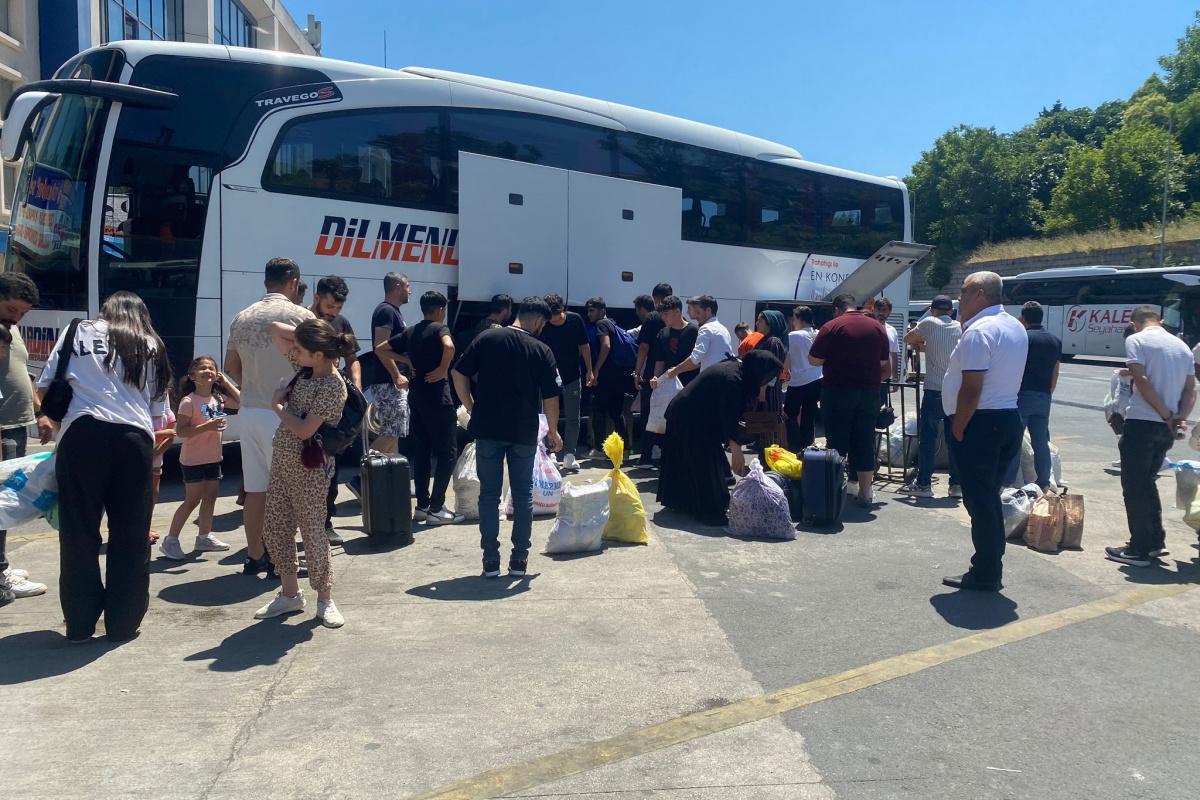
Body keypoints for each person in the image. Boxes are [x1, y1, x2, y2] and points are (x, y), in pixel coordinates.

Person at [38, 291, 172, 643]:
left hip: (82, 435)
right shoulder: (151, 343)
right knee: (132, 532)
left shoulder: (77, 331)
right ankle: (123, 622)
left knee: (78, 531)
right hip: (134, 439)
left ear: (105, 310)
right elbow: (158, 410)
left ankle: (80, 623)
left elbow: (45, 386)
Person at [453, 297, 562, 578]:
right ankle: (519, 561)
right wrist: (553, 431)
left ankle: (490, 560)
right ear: (538, 320)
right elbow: (551, 397)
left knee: (489, 496)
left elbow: (458, 373)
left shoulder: (487, 338)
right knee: (523, 495)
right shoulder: (541, 349)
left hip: (487, 429)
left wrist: (471, 406)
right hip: (523, 431)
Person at [255, 319, 354, 627]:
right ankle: (290, 594)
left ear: (318, 355)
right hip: (283, 461)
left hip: (309, 468)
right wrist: (314, 333)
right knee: (276, 528)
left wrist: (277, 406)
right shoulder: (306, 369)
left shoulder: (332, 385)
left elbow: (303, 430)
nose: (293, 351)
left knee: (313, 532)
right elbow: (275, 328)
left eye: (299, 349)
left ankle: (325, 598)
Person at [939, 272, 1028, 592]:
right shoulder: (1014, 326)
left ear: (979, 294)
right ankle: (990, 566)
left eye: (962, 291)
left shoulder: (979, 331)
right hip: (1006, 418)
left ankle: (986, 571)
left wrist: (959, 426)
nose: (958, 298)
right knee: (987, 498)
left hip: (980, 423)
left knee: (980, 502)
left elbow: (972, 387)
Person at [225, 258, 314, 576]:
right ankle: (283, 561)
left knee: (256, 490)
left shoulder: (242, 317)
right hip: (284, 415)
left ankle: (255, 555)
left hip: (249, 412)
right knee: (291, 493)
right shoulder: (301, 316)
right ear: (294, 282)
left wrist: (252, 385)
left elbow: (230, 367)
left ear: (266, 282)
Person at [1105, 306, 1196, 568]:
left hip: (1143, 422)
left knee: (1135, 486)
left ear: (1134, 323)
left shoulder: (1136, 340)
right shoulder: (1181, 346)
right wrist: (1179, 417)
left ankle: (1139, 549)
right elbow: (1191, 389)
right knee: (1148, 482)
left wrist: (1165, 414)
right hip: (1166, 428)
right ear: (1161, 321)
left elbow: (1142, 379)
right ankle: (1155, 541)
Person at [657, 351, 784, 524]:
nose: (767, 381)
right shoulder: (733, 379)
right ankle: (709, 510)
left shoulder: (739, 371)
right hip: (689, 415)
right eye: (767, 377)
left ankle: (685, 503)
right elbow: (728, 416)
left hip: (694, 414)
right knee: (705, 462)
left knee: (693, 461)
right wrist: (736, 450)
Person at [377, 291, 462, 525]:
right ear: (441, 310)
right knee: (447, 452)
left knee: (423, 450)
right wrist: (443, 369)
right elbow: (449, 346)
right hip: (438, 398)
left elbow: (381, 348)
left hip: (416, 397)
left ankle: (422, 506)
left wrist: (409, 361)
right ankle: (437, 508)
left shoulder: (411, 331)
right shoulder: (440, 328)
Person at [808, 293, 890, 508]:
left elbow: (814, 360)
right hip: (869, 392)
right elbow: (884, 362)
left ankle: (834, 492)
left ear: (837, 310)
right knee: (865, 442)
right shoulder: (877, 327)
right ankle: (864, 494)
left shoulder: (831, 326)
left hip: (837, 391)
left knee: (836, 443)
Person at [0, 273, 52, 606]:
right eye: (11, 309)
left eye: (23, 313)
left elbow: (23, 376)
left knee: (6, 505)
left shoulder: (10, 330)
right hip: (2, 430)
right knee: (1, 505)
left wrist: (40, 412)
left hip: (15, 427)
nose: (16, 317)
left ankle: (1, 566)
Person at [160, 356, 241, 559]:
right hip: (193, 459)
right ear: (192, 376)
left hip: (213, 456)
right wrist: (208, 426)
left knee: (211, 497)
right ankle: (170, 540)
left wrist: (226, 383)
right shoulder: (189, 401)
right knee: (192, 499)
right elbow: (181, 431)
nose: (207, 371)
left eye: (211, 368)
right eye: (202, 368)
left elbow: (242, 402)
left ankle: (204, 536)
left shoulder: (218, 399)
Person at [309, 275, 361, 545]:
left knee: (331, 463)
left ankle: (326, 522)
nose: (334, 312)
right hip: (305, 400)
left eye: (339, 307)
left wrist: (357, 388)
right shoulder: (303, 320)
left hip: (334, 402)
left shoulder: (341, 323)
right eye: (330, 306)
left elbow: (353, 359)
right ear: (316, 297)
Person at [901, 295, 963, 498]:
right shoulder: (960, 327)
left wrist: (922, 342)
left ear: (932, 310)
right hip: (956, 392)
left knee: (928, 439)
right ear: (951, 312)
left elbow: (908, 338)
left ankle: (924, 483)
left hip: (934, 389)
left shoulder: (929, 323)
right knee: (955, 439)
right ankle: (956, 485)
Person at [1003, 301, 1063, 490]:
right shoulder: (1055, 340)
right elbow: (1055, 371)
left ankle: (1009, 482)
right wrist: (1048, 393)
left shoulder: (1023, 338)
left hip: (1022, 395)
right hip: (1044, 396)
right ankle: (1044, 482)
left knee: (1015, 441)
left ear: (1023, 318)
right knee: (1041, 442)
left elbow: (1014, 367)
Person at [540, 293, 593, 473]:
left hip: (572, 375)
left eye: (555, 315)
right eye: (550, 316)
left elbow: (584, 345)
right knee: (548, 417)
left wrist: (590, 370)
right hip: (548, 377)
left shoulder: (575, 320)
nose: (553, 319)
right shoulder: (544, 322)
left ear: (562, 309)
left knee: (573, 417)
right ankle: (550, 452)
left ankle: (570, 454)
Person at [362, 272, 411, 456]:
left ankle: (392, 473)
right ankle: (365, 470)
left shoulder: (392, 311)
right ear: (397, 287)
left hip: (392, 384)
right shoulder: (386, 311)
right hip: (388, 383)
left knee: (396, 432)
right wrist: (396, 374)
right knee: (391, 432)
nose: (409, 291)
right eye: (407, 286)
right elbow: (380, 347)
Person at [585, 298, 633, 458]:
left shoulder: (601, 324)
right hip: (618, 376)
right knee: (617, 414)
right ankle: (625, 450)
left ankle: (599, 449)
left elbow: (606, 345)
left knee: (598, 411)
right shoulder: (613, 324)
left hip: (605, 377)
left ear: (602, 311)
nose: (589, 314)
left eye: (592, 311)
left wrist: (596, 370)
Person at [633, 285, 672, 465]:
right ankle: (666, 454)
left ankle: (646, 456)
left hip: (652, 374)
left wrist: (637, 372)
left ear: (656, 299)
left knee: (649, 414)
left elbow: (643, 347)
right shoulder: (679, 319)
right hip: (672, 374)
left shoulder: (652, 317)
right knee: (668, 414)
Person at [663, 296, 733, 382]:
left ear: (708, 310)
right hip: (725, 378)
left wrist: (675, 371)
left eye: (698, 312)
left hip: (712, 380)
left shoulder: (706, 328)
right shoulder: (723, 329)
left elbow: (696, 358)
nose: (696, 315)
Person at [784, 305, 822, 450]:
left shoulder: (794, 336)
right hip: (817, 378)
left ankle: (794, 446)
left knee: (790, 413)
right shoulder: (818, 333)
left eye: (794, 319)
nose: (793, 323)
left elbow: (786, 359)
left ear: (800, 319)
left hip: (800, 380)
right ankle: (807, 446)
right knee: (809, 414)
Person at [751, 310, 790, 414]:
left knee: (767, 420)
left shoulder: (773, 342)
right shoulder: (765, 339)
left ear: (770, 323)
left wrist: (763, 389)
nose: (756, 324)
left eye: (760, 321)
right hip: (762, 389)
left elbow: (774, 368)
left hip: (768, 392)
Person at [871, 298, 901, 388]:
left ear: (889, 312)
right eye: (878, 310)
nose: (881, 313)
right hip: (870, 375)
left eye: (884, 310)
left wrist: (895, 377)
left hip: (885, 377)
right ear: (873, 310)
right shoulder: (868, 327)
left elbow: (894, 355)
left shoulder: (892, 330)